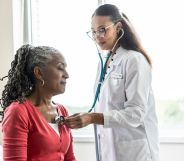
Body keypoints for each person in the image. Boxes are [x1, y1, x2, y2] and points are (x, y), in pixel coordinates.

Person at [64, 4, 159, 161]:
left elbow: (136, 113)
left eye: (102, 29)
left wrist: (92, 117)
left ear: (118, 27)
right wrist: (87, 116)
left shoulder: (134, 59)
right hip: (109, 147)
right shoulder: (104, 61)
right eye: (93, 32)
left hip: (134, 152)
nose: (97, 36)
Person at [1, 44, 76, 161]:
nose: (67, 75)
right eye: (60, 68)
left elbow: (69, 158)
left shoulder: (62, 110)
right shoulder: (18, 111)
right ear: (39, 73)